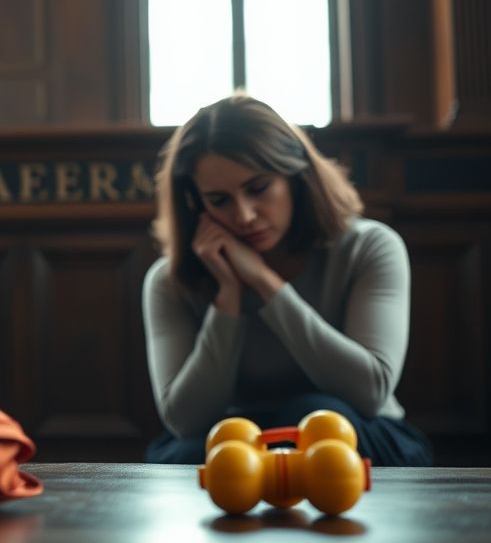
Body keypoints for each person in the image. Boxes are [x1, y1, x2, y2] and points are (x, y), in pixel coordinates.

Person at [141, 94, 432, 465]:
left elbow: (370, 392)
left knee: (312, 417)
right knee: (202, 451)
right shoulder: (168, 281)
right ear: (196, 205)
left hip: (357, 435)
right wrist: (228, 298)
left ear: (296, 177)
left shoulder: (370, 247)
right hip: (237, 440)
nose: (245, 216)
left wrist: (266, 283)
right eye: (219, 200)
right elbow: (185, 421)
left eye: (258, 188)